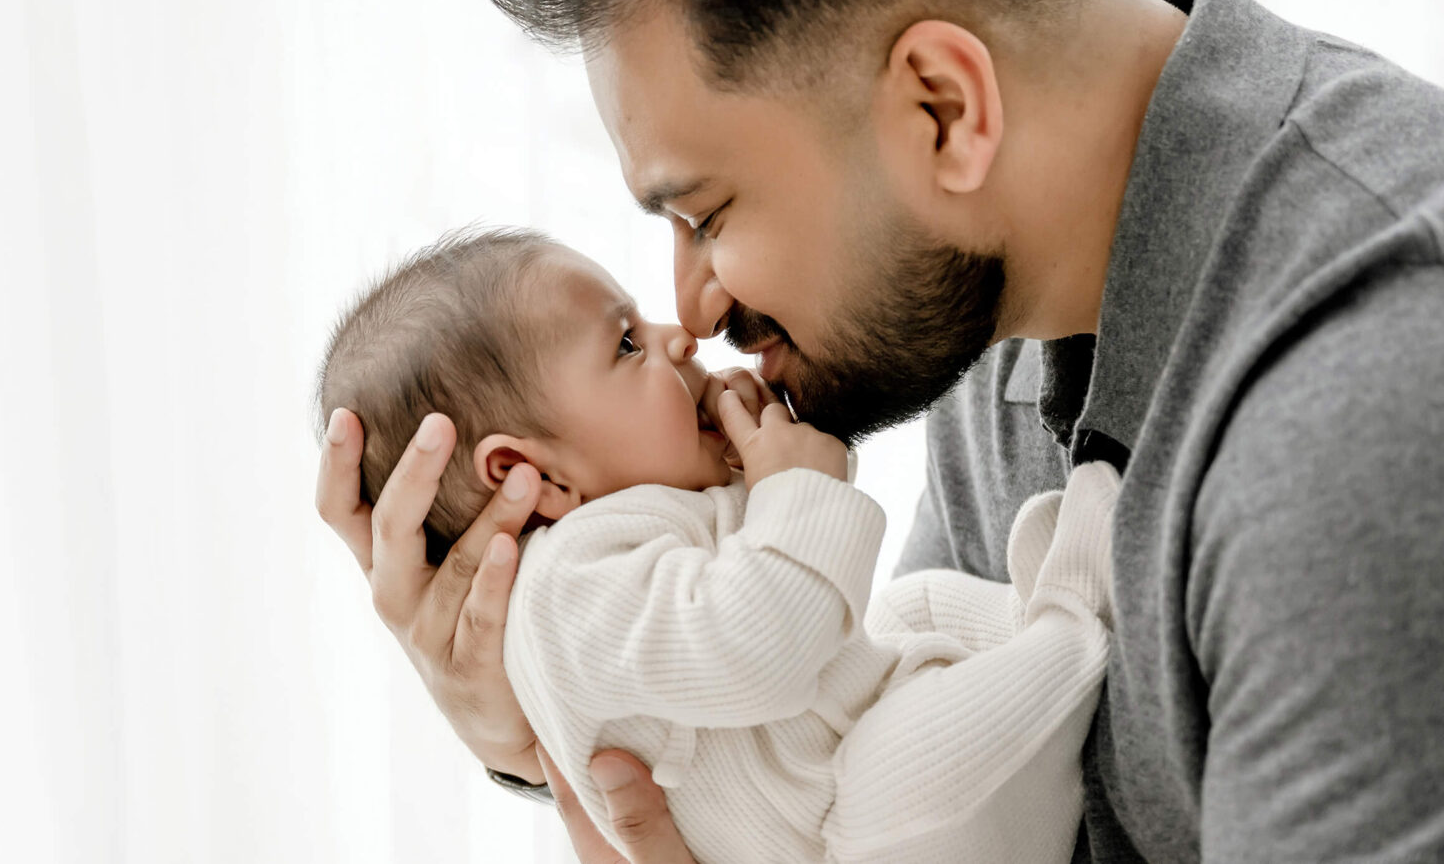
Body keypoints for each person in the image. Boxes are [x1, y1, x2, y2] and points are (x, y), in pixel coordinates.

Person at [315, 0, 1444, 860]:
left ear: (941, 109)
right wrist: (533, 721)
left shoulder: (1354, 419)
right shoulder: (994, 282)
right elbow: (888, 759)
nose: (694, 307)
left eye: (707, 215)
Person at [316, 226, 1119, 863]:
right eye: (627, 344)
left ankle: (1032, 620)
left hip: (846, 751)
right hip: (860, 832)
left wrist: (768, 458)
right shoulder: (563, 590)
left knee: (915, 604)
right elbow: (763, 643)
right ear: (531, 475)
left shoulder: (632, 534)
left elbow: (790, 592)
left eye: (712, 211)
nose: (680, 333)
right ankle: (1076, 614)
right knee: (920, 762)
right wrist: (796, 487)